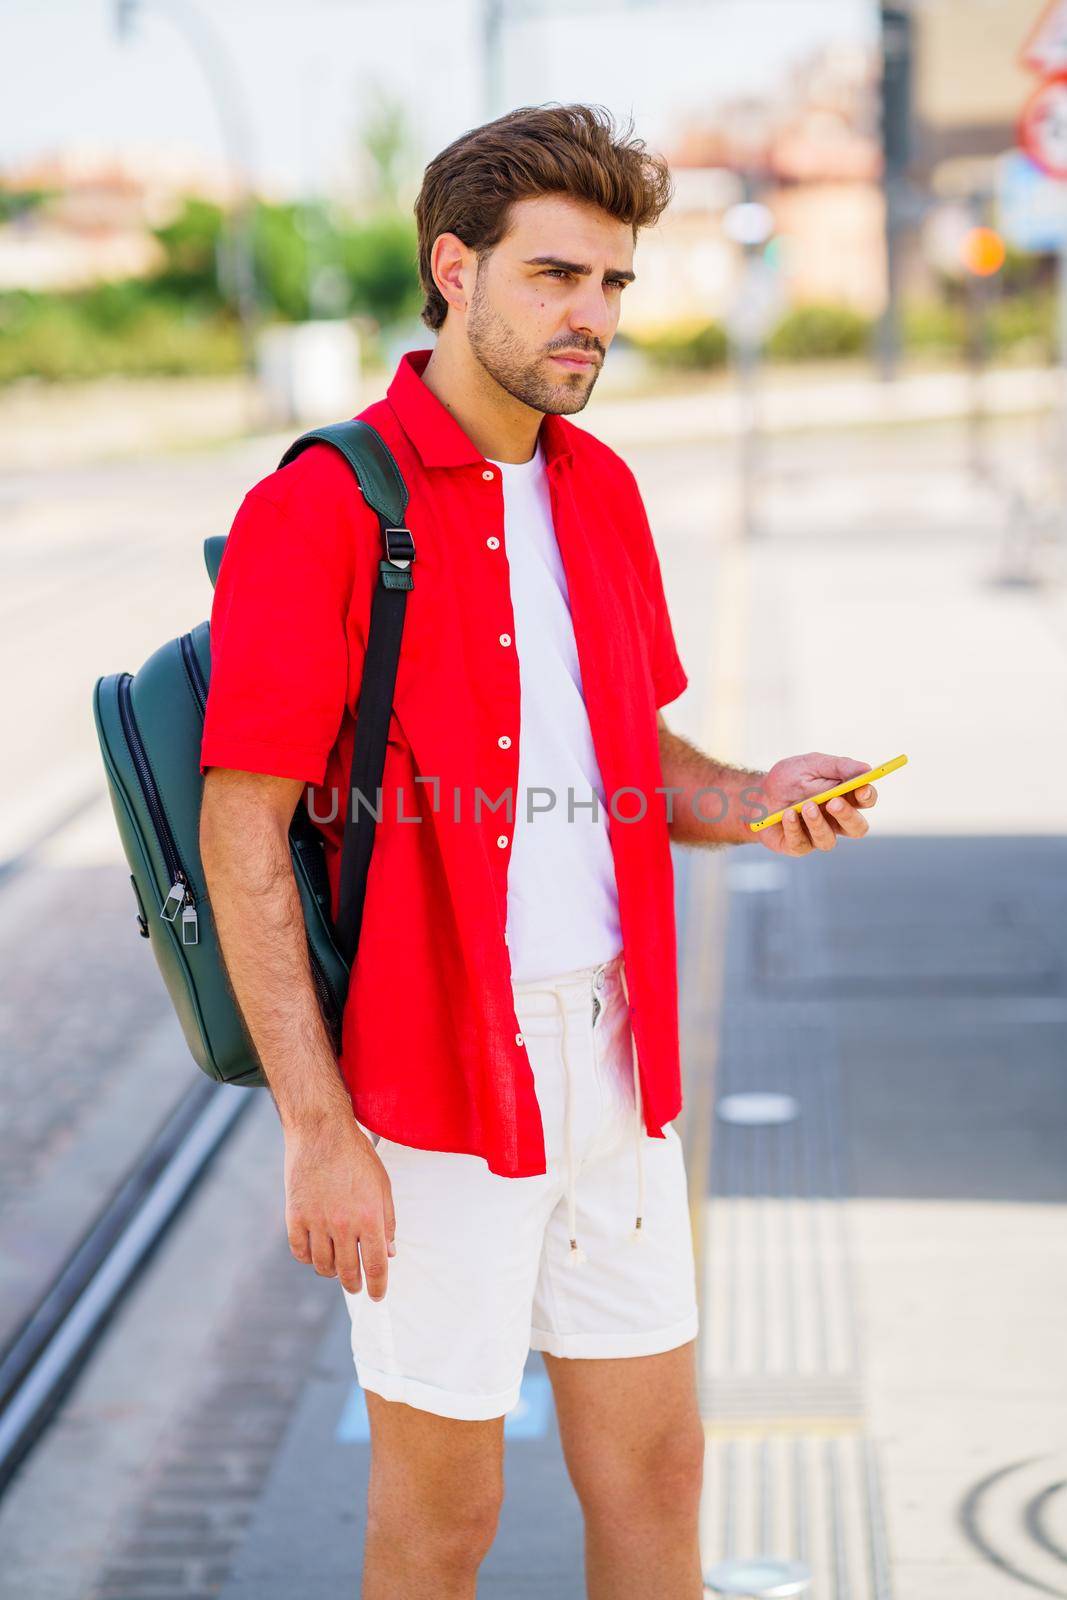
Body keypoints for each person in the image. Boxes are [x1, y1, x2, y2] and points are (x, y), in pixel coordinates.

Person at [198, 102, 878, 1600]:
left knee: (657, 1474)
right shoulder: (323, 506)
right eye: (558, 278)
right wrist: (318, 1129)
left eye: (616, 284)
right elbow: (239, 825)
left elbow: (641, 761)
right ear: (456, 268)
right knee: (444, 1527)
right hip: (429, 1090)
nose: (594, 319)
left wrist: (763, 790)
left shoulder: (602, 488)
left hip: (617, 1073)